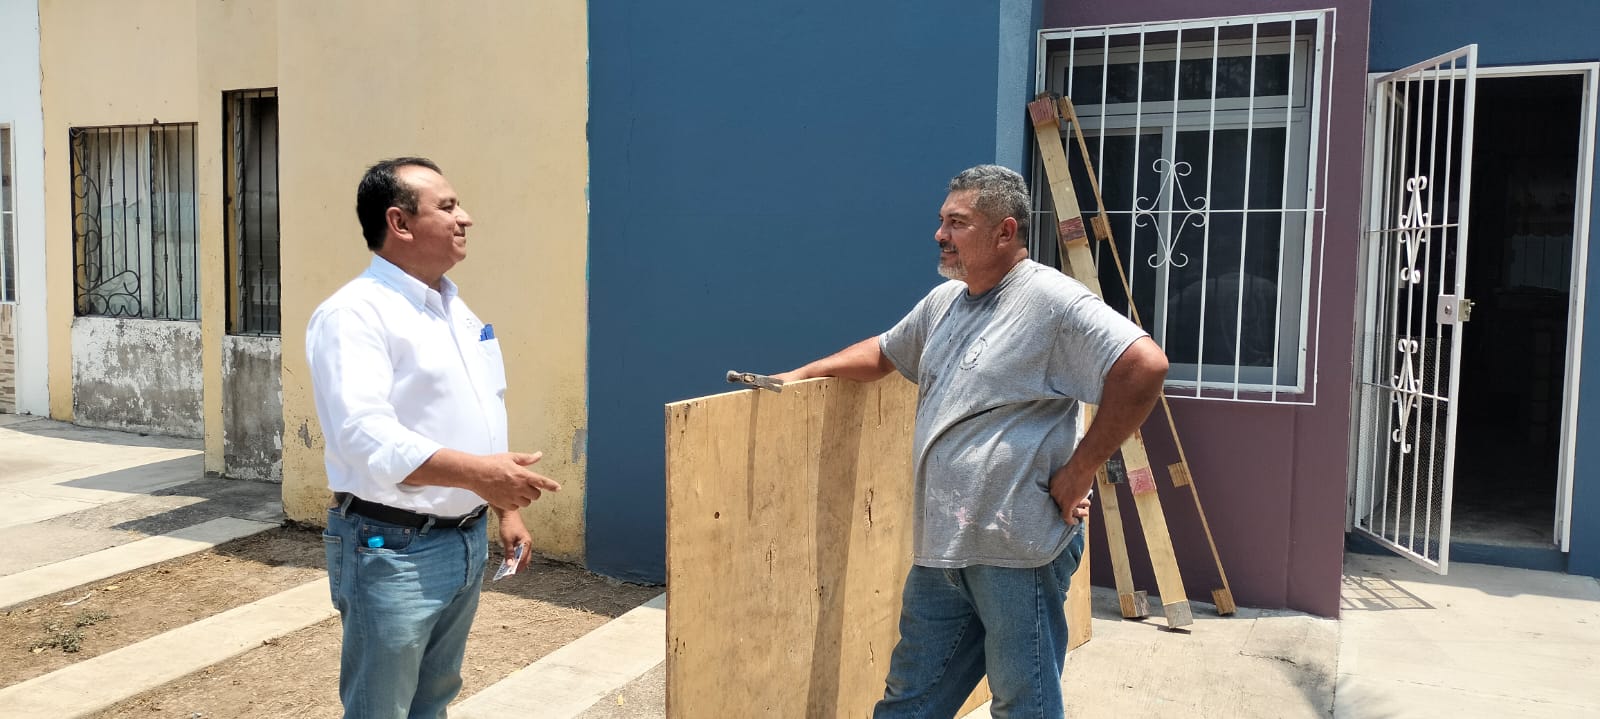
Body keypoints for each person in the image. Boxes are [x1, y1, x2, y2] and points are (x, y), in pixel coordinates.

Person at [773, 165, 1168, 718]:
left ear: (1005, 232)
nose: (940, 234)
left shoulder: (1050, 300)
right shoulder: (946, 302)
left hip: (1016, 550)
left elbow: (1144, 366)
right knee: (910, 700)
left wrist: (1081, 470)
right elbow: (884, 352)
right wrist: (801, 374)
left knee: (1021, 703)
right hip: (943, 550)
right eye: (942, 221)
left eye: (957, 223)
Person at [306, 157, 560, 718]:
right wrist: (481, 475)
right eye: (446, 207)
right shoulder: (354, 314)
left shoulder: (454, 309)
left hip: (462, 540)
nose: (465, 217)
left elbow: (480, 411)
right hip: (391, 546)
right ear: (399, 223)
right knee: (381, 708)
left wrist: (503, 507)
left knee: (433, 699)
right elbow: (363, 435)